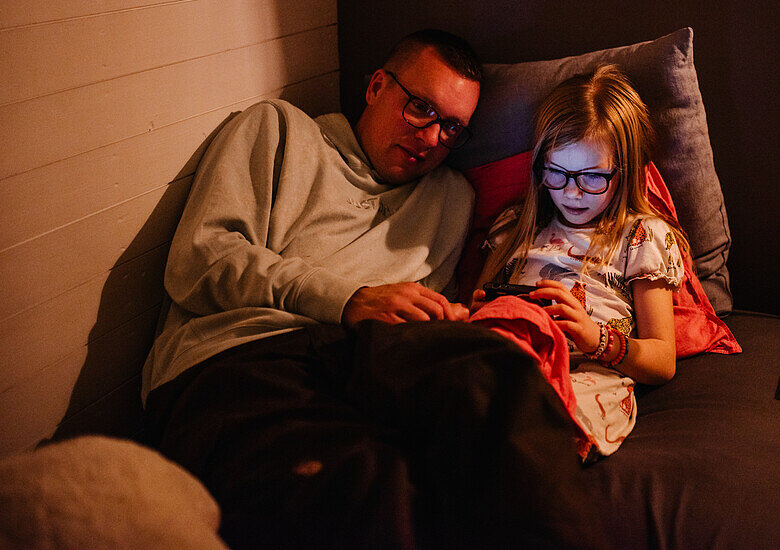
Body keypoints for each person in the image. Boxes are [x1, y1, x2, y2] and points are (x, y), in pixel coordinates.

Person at [141, 30, 607, 550]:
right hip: (245, 354)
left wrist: (453, 317)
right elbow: (199, 258)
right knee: (362, 488)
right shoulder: (278, 130)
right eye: (420, 109)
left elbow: (422, 325)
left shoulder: (450, 198)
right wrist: (346, 300)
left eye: (452, 127)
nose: (432, 138)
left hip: (373, 359)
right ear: (377, 87)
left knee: (495, 370)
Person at [472, 65, 684, 459]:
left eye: (591, 177)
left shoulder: (642, 235)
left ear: (624, 171)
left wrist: (594, 338)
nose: (571, 193)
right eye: (557, 172)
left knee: (544, 415)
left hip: (587, 374)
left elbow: (662, 360)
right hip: (508, 358)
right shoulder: (513, 228)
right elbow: (480, 303)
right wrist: (483, 311)